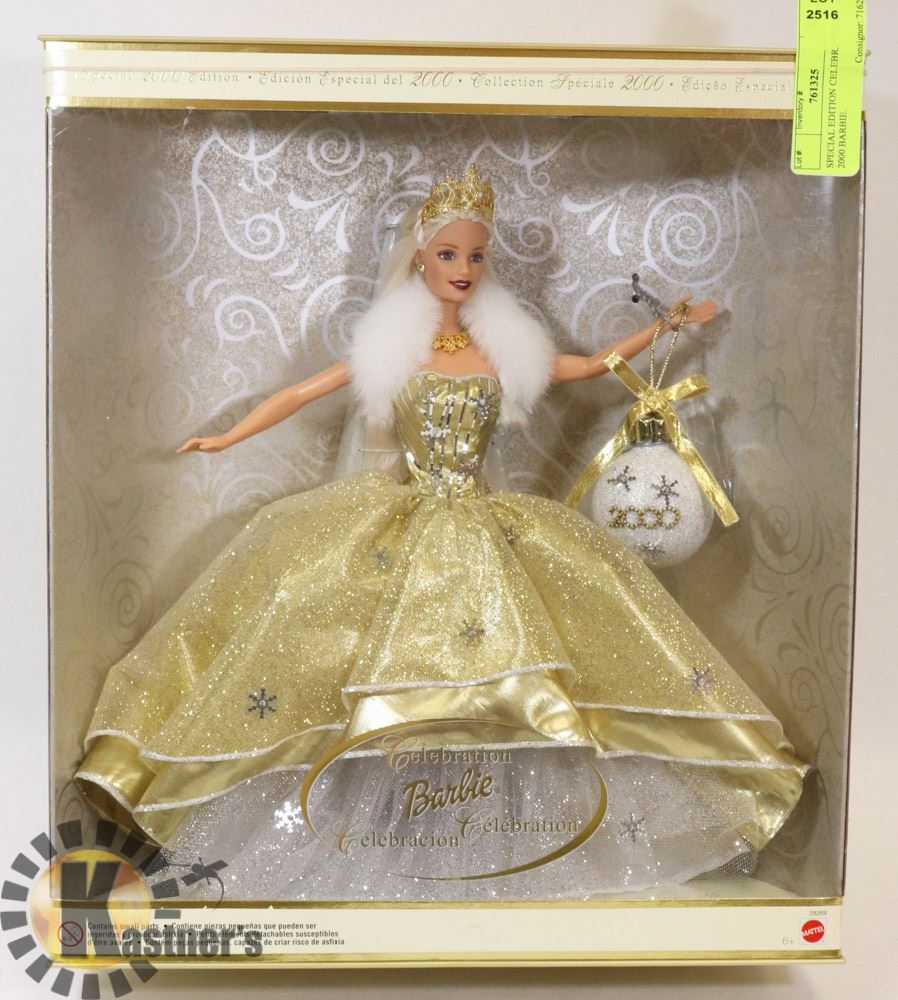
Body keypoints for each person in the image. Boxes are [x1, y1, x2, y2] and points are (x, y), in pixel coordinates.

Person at [75, 165, 806, 898]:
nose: (463, 268)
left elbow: (587, 367)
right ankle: (385, 831)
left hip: (487, 520)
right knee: (345, 642)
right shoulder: (393, 349)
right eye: (449, 253)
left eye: (476, 255)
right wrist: (227, 436)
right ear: (419, 257)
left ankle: (487, 836)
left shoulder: (501, 350)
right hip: (410, 515)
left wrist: (667, 326)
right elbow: (301, 392)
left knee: (524, 666)